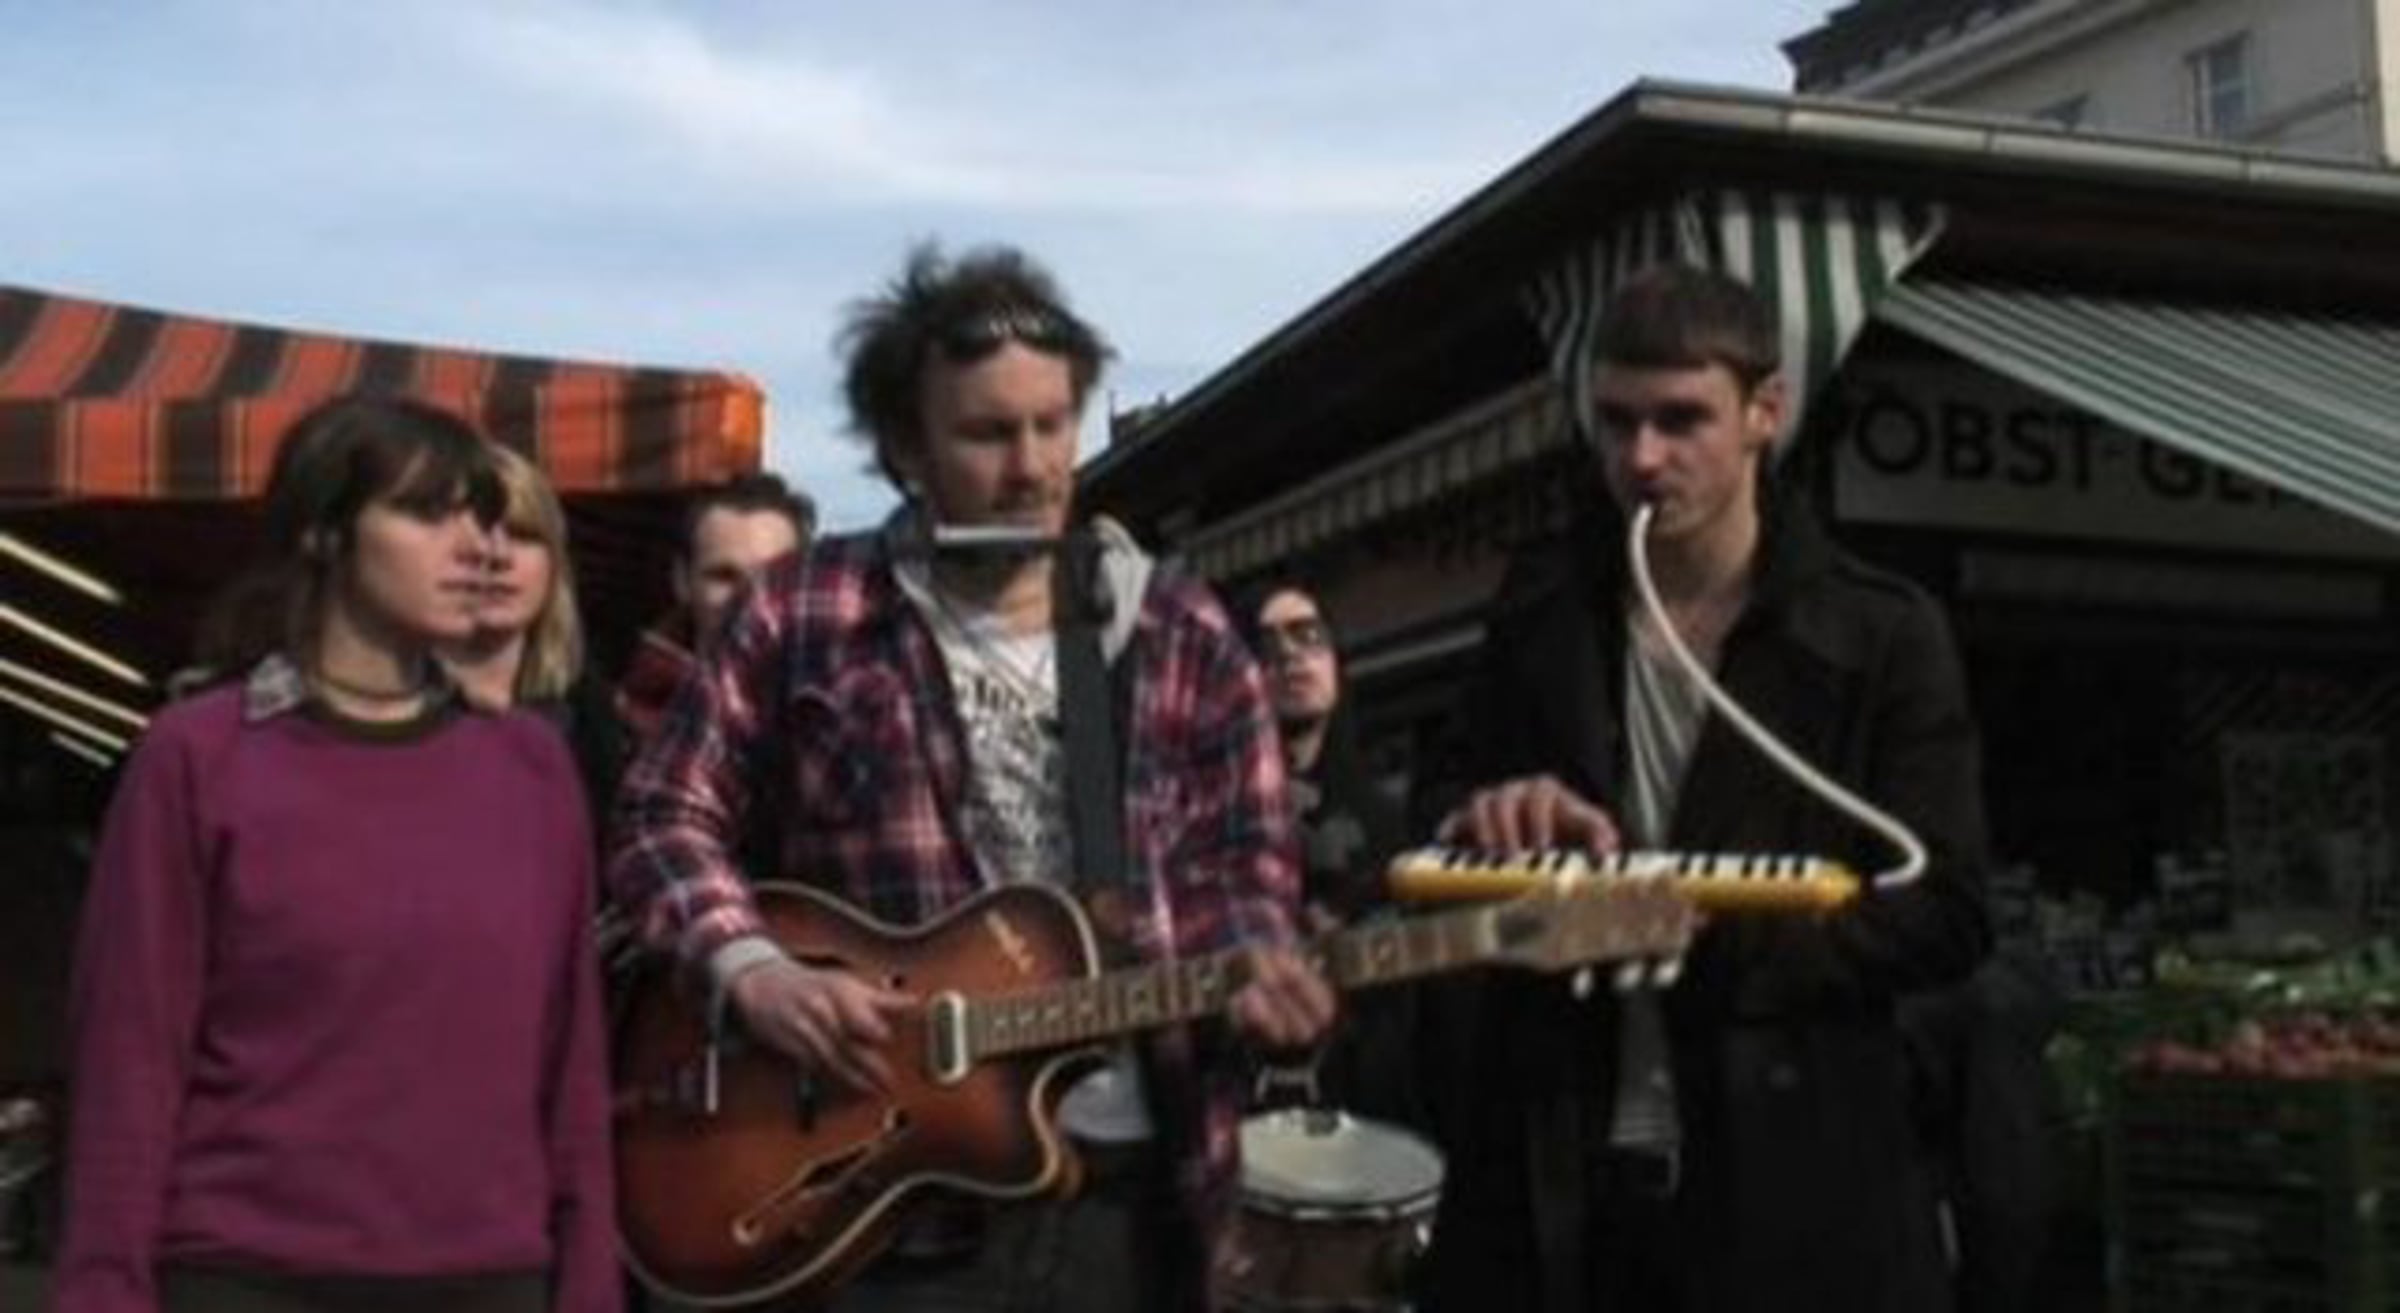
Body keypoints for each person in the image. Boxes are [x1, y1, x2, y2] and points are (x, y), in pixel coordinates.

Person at [607, 243, 1334, 1313]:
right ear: (907, 445)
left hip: (1130, 1195)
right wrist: (754, 968)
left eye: (1053, 425)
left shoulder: (1179, 626)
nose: (1032, 465)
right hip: (878, 1192)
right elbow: (663, 815)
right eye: (989, 433)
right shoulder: (805, 610)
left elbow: (1243, 866)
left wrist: (1259, 966)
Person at [1419, 264, 1991, 1313]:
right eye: (1615, 422)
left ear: (1766, 412)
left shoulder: (1877, 633)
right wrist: (1489, 818)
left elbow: (1948, 908)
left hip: (1790, 1192)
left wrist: (1717, 931)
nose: (1642, 458)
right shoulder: (1542, 612)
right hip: (1563, 1177)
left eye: (1682, 419)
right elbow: (1436, 813)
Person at [52, 397, 618, 1313]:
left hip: (489, 1277)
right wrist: (102, 1289)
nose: (478, 546)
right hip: (245, 1275)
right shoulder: (199, 755)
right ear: (324, 533)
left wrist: (590, 1285)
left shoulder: (530, 766)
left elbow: (571, 1059)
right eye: (426, 512)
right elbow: (129, 1052)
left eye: (483, 516)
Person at [1241, 584, 1419, 1126]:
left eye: (1309, 637)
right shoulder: (1218, 823)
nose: (1292, 657)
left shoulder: (1391, 818)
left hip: (1374, 1111)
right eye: (1268, 647)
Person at [442, 443, 626, 825]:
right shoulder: (385, 711)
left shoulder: (590, 717)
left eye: (523, 535)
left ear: (554, 563)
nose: (498, 555)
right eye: (477, 533)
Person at [613, 472, 814, 744]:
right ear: (682, 581)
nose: (750, 597)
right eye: (724, 576)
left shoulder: (846, 711)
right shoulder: (615, 729)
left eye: (772, 577)